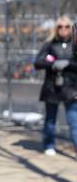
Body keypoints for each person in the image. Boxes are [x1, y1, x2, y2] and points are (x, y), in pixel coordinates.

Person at [34, 16, 77, 155]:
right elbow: (38, 63)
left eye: (66, 26)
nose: (63, 29)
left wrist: (68, 63)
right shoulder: (49, 44)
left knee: (74, 121)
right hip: (52, 87)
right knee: (50, 119)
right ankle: (49, 144)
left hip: (71, 88)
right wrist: (53, 64)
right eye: (60, 26)